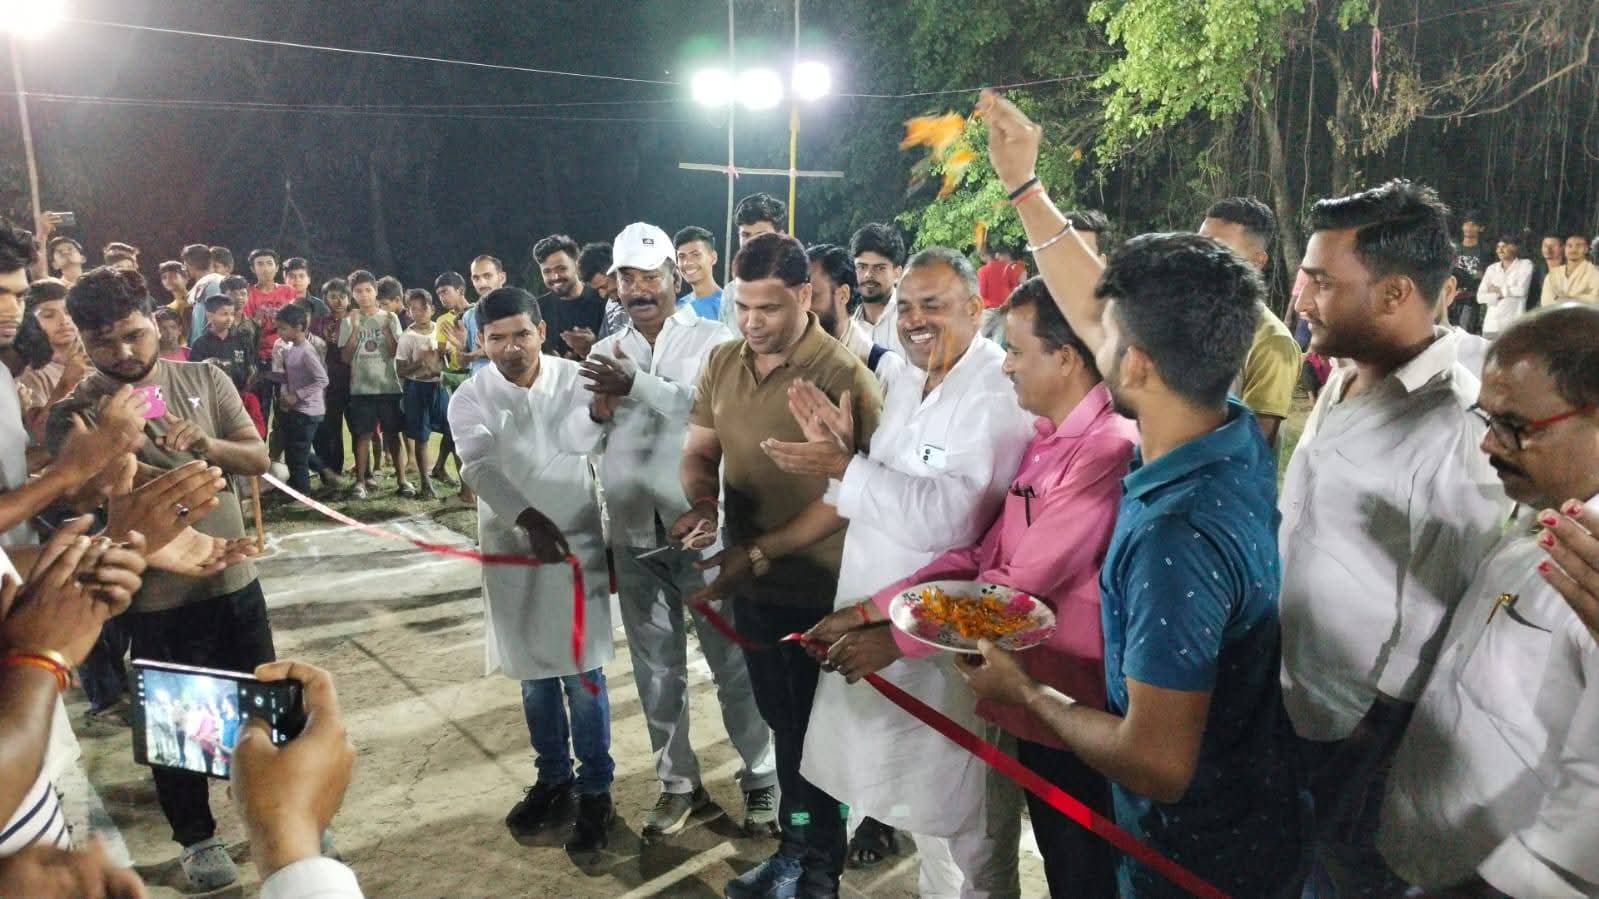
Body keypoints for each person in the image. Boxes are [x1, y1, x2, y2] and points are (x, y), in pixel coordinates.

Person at [968, 90, 1306, 896]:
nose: (1090, 337)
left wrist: (1025, 693)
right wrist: (1024, 187)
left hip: (1186, 860)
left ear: (1139, 363)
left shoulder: (1171, 537)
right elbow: (1095, 305)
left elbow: (1156, 761)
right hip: (1252, 822)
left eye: (1106, 336)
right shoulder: (1227, 431)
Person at [810, 276, 1136, 897]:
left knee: (1084, 873)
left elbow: (1015, 593)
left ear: (1066, 358)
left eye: (1016, 350)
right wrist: (868, 611)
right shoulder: (1050, 441)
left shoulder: (1103, 451)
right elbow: (978, 554)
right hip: (1034, 699)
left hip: (1080, 708)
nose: (1005, 365)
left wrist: (893, 641)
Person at [769, 247, 1036, 898]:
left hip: (948, 643)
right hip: (882, 621)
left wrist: (846, 467)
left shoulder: (996, 392)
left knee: (969, 828)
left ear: (975, 308)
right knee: (922, 814)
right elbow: (884, 485)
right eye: (907, 305)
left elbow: (955, 520)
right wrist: (847, 454)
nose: (913, 319)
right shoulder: (911, 380)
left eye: (932, 305)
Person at [1281, 180, 1508, 896]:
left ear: (1394, 293)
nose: (1301, 299)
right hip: (1292, 700)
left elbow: (1447, 604)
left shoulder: (1457, 427)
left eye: (1322, 282)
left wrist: (1369, 736)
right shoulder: (1342, 377)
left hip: (1358, 741)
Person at [50, 266, 273, 892]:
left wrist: (207, 444)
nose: (124, 353)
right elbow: (78, 500)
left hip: (233, 580)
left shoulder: (203, 377)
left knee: (261, 710)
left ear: (156, 321)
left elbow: (257, 456)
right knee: (182, 722)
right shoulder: (77, 412)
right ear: (82, 340)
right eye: (104, 343)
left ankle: (274, 814)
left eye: (134, 334)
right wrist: (112, 448)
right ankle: (197, 838)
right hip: (155, 598)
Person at [674, 232, 882, 899]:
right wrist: (703, 504)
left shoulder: (843, 376)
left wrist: (760, 552)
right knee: (783, 725)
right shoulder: (723, 361)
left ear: (804, 296)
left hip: (822, 591)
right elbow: (699, 450)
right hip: (751, 583)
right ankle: (798, 851)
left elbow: (854, 496)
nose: (752, 322)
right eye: (742, 306)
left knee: (815, 738)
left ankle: (817, 870)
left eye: (768, 307)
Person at [1378, 304, 1599, 897]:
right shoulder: (1544, 508)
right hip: (1422, 846)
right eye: (1488, 418)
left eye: (1515, 426)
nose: (1488, 444)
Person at [579, 222, 775, 839]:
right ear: (615, 285)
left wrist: (635, 385)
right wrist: (596, 413)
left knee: (732, 660)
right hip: (634, 531)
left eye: (650, 277)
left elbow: (716, 412)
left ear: (674, 275)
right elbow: (579, 440)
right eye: (627, 279)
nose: (639, 290)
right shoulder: (606, 351)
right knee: (656, 668)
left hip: (705, 531)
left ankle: (762, 777)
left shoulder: (715, 340)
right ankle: (678, 784)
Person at [447, 287, 617, 853]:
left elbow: (604, 453)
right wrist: (529, 521)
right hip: (513, 549)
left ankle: (596, 789)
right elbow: (478, 468)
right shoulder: (471, 396)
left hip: (578, 546)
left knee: (584, 674)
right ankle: (553, 778)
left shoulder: (577, 380)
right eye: (496, 338)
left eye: (521, 334)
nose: (510, 347)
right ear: (481, 341)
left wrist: (610, 534)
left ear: (541, 331)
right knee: (535, 677)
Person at [1198, 197, 1304, 448]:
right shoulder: (1188, 320)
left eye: (1219, 253)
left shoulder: (1273, 342)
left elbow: (1250, 449)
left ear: (1257, 261)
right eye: (1198, 248)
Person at [338, 270, 405, 499]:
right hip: (361, 388)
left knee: (393, 434)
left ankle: (402, 480)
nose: (364, 295)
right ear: (352, 294)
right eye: (358, 291)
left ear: (375, 291)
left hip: (388, 386)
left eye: (368, 290)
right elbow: (346, 357)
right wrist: (356, 329)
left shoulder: (390, 318)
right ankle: (360, 482)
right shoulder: (349, 321)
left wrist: (386, 331)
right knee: (363, 435)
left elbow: (396, 352)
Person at [273, 305, 328, 495]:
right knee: (294, 449)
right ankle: (323, 472)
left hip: (308, 410)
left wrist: (297, 395)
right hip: (296, 408)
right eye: (278, 328)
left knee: (297, 454)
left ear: (298, 327)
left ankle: (302, 494)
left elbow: (322, 380)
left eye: (283, 328)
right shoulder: (290, 348)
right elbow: (289, 376)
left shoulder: (307, 351)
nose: (279, 333)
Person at [805, 244, 887, 370]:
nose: (802, 308)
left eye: (811, 296)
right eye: (799, 297)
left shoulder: (882, 367)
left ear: (843, 295)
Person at [395, 288, 445, 499]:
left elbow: (446, 359)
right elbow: (400, 370)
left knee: (451, 430)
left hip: (440, 386)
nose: (420, 312)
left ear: (432, 309)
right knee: (421, 437)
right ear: (408, 312)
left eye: (424, 308)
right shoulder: (407, 337)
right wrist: (420, 363)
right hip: (416, 388)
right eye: (414, 309)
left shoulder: (440, 330)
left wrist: (439, 361)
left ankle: (441, 468)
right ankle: (426, 484)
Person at [717, 193, 790, 334]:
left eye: (761, 235)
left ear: (781, 236)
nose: (751, 242)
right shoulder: (730, 293)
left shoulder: (796, 288)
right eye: (745, 235)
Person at [431, 271, 471, 500]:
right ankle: (466, 490)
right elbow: (440, 353)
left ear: (460, 290)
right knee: (455, 430)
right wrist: (441, 355)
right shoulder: (442, 321)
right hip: (454, 378)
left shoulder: (477, 313)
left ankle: (469, 488)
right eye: (439, 294)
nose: (442, 298)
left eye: (445, 292)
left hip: (477, 374)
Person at [533, 235, 605, 360]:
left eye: (561, 269)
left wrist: (593, 347)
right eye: (547, 271)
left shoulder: (603, 300)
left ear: (577, 266)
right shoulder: (536, 309)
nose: (555, 276)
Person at [849, 223, 909, 357]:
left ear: (897, 273)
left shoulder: (912, 321)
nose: (868, 275)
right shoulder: (848, 325)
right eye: (862, 266)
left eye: (879, 268)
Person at [312, 278, 351, 481]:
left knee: (358, 428)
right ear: (325, 299)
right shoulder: (318, 324)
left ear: (349, 299)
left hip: (353, 381)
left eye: (343, 296)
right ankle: (332, 471)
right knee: (330, 427)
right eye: (333, 297)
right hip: (328, 384)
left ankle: (366, 473)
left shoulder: (355, 320)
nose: (338, 301)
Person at [189, 295, 257, 396]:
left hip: (239, 395)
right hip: (212, 396)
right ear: (209, 316)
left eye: (232, 314)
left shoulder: (242, 340)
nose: (229, 319)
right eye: (224, 314)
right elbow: (195, 375)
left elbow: (249, 369)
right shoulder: (200, 344)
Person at [454, 254, 506, 374]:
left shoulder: (516, 309)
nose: (482, 283)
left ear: (502, 277)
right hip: (478, 382)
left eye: (487, 276)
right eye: (476, 278)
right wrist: (461, 347)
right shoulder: (468, 316)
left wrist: (472, 355)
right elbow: (462, 363)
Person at [1476, 232, 1534, 337]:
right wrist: (1502, 294)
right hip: (1491, 325)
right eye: (1498, 247)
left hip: (1513, 326)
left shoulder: (1525, 264)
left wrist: (1498, 290)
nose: (1500, 250)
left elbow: (1521, 290)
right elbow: (1480, 297)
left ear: (1515, 247)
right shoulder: (1492, 268)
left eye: (1504, 246)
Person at [1449, 210, 1494, 333]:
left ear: (1481, 228)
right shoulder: (1455, 249)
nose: (1468, 227)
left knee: (1465, 331)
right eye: (1466, 224)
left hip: (1471, 298)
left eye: (1473, 224)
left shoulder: (1485, 250)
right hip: (1452, 296)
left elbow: (1485, 275)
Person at [579, 241, 628, 337]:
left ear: (617, 272)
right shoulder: (611, 306)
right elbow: (606, 343)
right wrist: (591, 343)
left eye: (604, 286)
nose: (602, 295)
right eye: (597, 290)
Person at [674, 225, 723, 320]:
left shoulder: (729, 305)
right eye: (682, 256)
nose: (687, 262)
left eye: (696, 255)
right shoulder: (679, 306)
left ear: (713, 258)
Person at [1541, 231, 1599, 305]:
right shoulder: (1552, 275)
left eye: (1578, 246)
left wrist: (1563, 299)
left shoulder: (1594, 273)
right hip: (1554, 313)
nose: (1573, 250)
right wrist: (1579, 297)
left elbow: (1595, 301)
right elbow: (1546, 302)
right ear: (1564, 249)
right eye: (1569, 246)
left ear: (1586, 249)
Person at [975, 243, 1024, 312]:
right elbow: (1014, 288)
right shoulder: (1007, 267)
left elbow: (983, 293)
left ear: (982, 255)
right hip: (1006, 308)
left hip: (990, 310)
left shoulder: (982, 271)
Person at [158, 260, 190, 335]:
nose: (168, 280)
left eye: (172, 276)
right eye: (164, 277)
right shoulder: (169, 308)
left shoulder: (196, 299)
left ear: (185, 278)